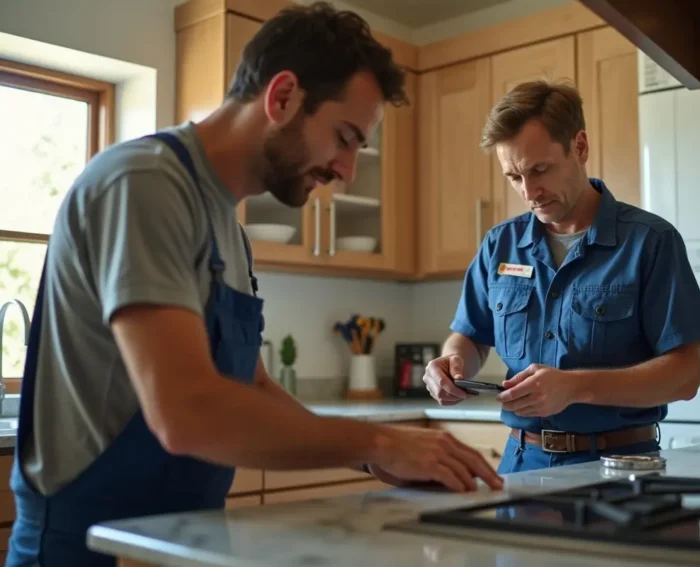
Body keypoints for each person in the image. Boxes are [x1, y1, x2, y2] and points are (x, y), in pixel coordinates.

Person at [7, 4, 502, 565]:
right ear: (283, 96)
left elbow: (251, 386)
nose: (346, 170)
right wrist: (379, 440)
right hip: (86, 549)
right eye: (344, 138)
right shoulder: (143, 184)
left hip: (179, 543)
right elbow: (187, 412)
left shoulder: (230, 230)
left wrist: (371, 459)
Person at [422, 79, 700, 474]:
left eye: (539, 170)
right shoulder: (500, 244)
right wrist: (451, 363)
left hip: (620, 466)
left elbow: (684, 376)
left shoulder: (651, 242)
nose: (529, 192)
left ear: (579, 147)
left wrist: (575, 387)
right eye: (513, 177)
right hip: (520, 463)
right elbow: (472, 337)